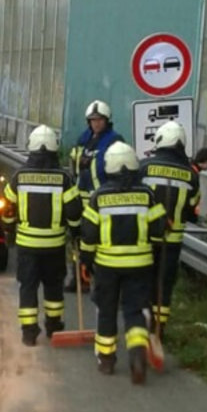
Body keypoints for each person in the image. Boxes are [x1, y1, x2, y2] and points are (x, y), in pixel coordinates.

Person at [79, 141, 167, 385]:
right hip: (140, 264)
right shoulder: (147, 195)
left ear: (110, 167)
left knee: (106, 310)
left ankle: (106, 360)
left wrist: (84, 261)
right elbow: (159, 230)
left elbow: (88, 235)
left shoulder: (99, 197)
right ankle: (138, 353)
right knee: (134, 309)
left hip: (107, 265)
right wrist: (156, 250)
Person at [3, 125, 82, 346]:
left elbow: (8, 209)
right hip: (55, 245)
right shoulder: (64, 178)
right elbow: (75, 212)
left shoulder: (19, 176)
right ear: (55, 149)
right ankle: (53, 326)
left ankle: (29, 332)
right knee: (53, 286)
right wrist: (76, 232)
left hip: (26, 245)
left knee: (27, 286)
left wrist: (9, 231)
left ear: (31, 147)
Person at [139, 121, 199, 341]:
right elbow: (193, 208)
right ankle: (159, 329)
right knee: (164, 284)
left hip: (145, 238)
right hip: (172, 241)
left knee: (144, 279)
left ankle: (142, 321)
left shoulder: (144, 166)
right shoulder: (191, 174)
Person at [66, 99, 124, 292]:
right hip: (81, 199)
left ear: (107, 120)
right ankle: (79, 276)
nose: (96, 123)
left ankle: (99, 279)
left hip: (103, 201)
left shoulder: (114, 141)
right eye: (92, 120)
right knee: (79, 240)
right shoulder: (84, 139)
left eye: (99, 120)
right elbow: (73, 162)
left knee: (99, 241)